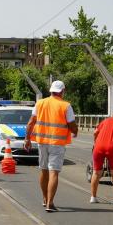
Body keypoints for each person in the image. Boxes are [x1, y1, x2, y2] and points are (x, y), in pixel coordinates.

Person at [24, 80, 78, 212]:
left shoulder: (40, 103)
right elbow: (71, 124)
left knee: (43, 170)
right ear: (62, 91)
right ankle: (50, 203)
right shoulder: (66, 106)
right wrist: (75, 131)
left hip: (42, 142)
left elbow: (31, 122)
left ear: (51, 91)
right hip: (57, 144)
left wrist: (27, 139)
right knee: (54, 172)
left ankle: (44, 198)